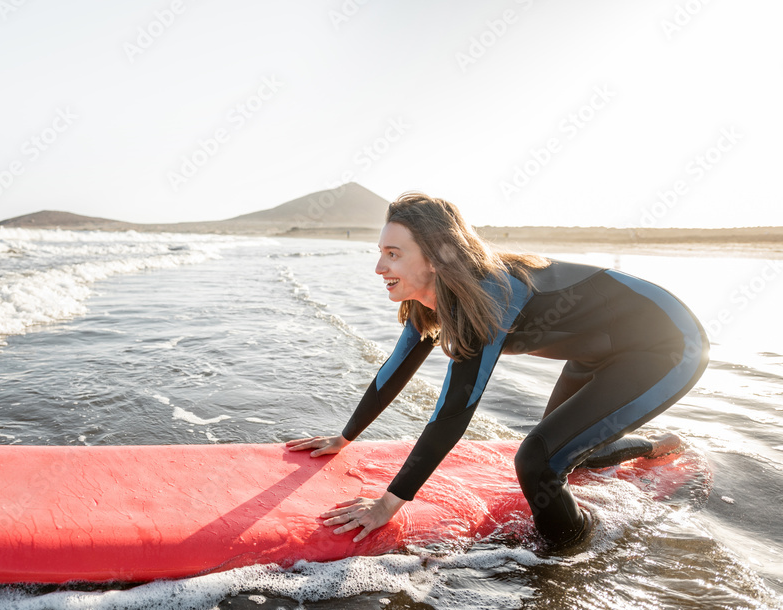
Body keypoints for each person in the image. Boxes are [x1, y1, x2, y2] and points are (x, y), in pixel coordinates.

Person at [286, 193, 708, 549]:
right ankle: (653, 447)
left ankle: (579, 548)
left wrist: (388, 504)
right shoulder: (428, 301)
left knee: (537, 462)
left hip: (668, 347)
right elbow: (395, 369)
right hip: (599, 353)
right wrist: (345, 437)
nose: (379, 267)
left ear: (434, 257)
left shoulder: (487, 296)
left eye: (393, 254)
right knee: (562, 455)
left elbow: (453, 412)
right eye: (380, 252)